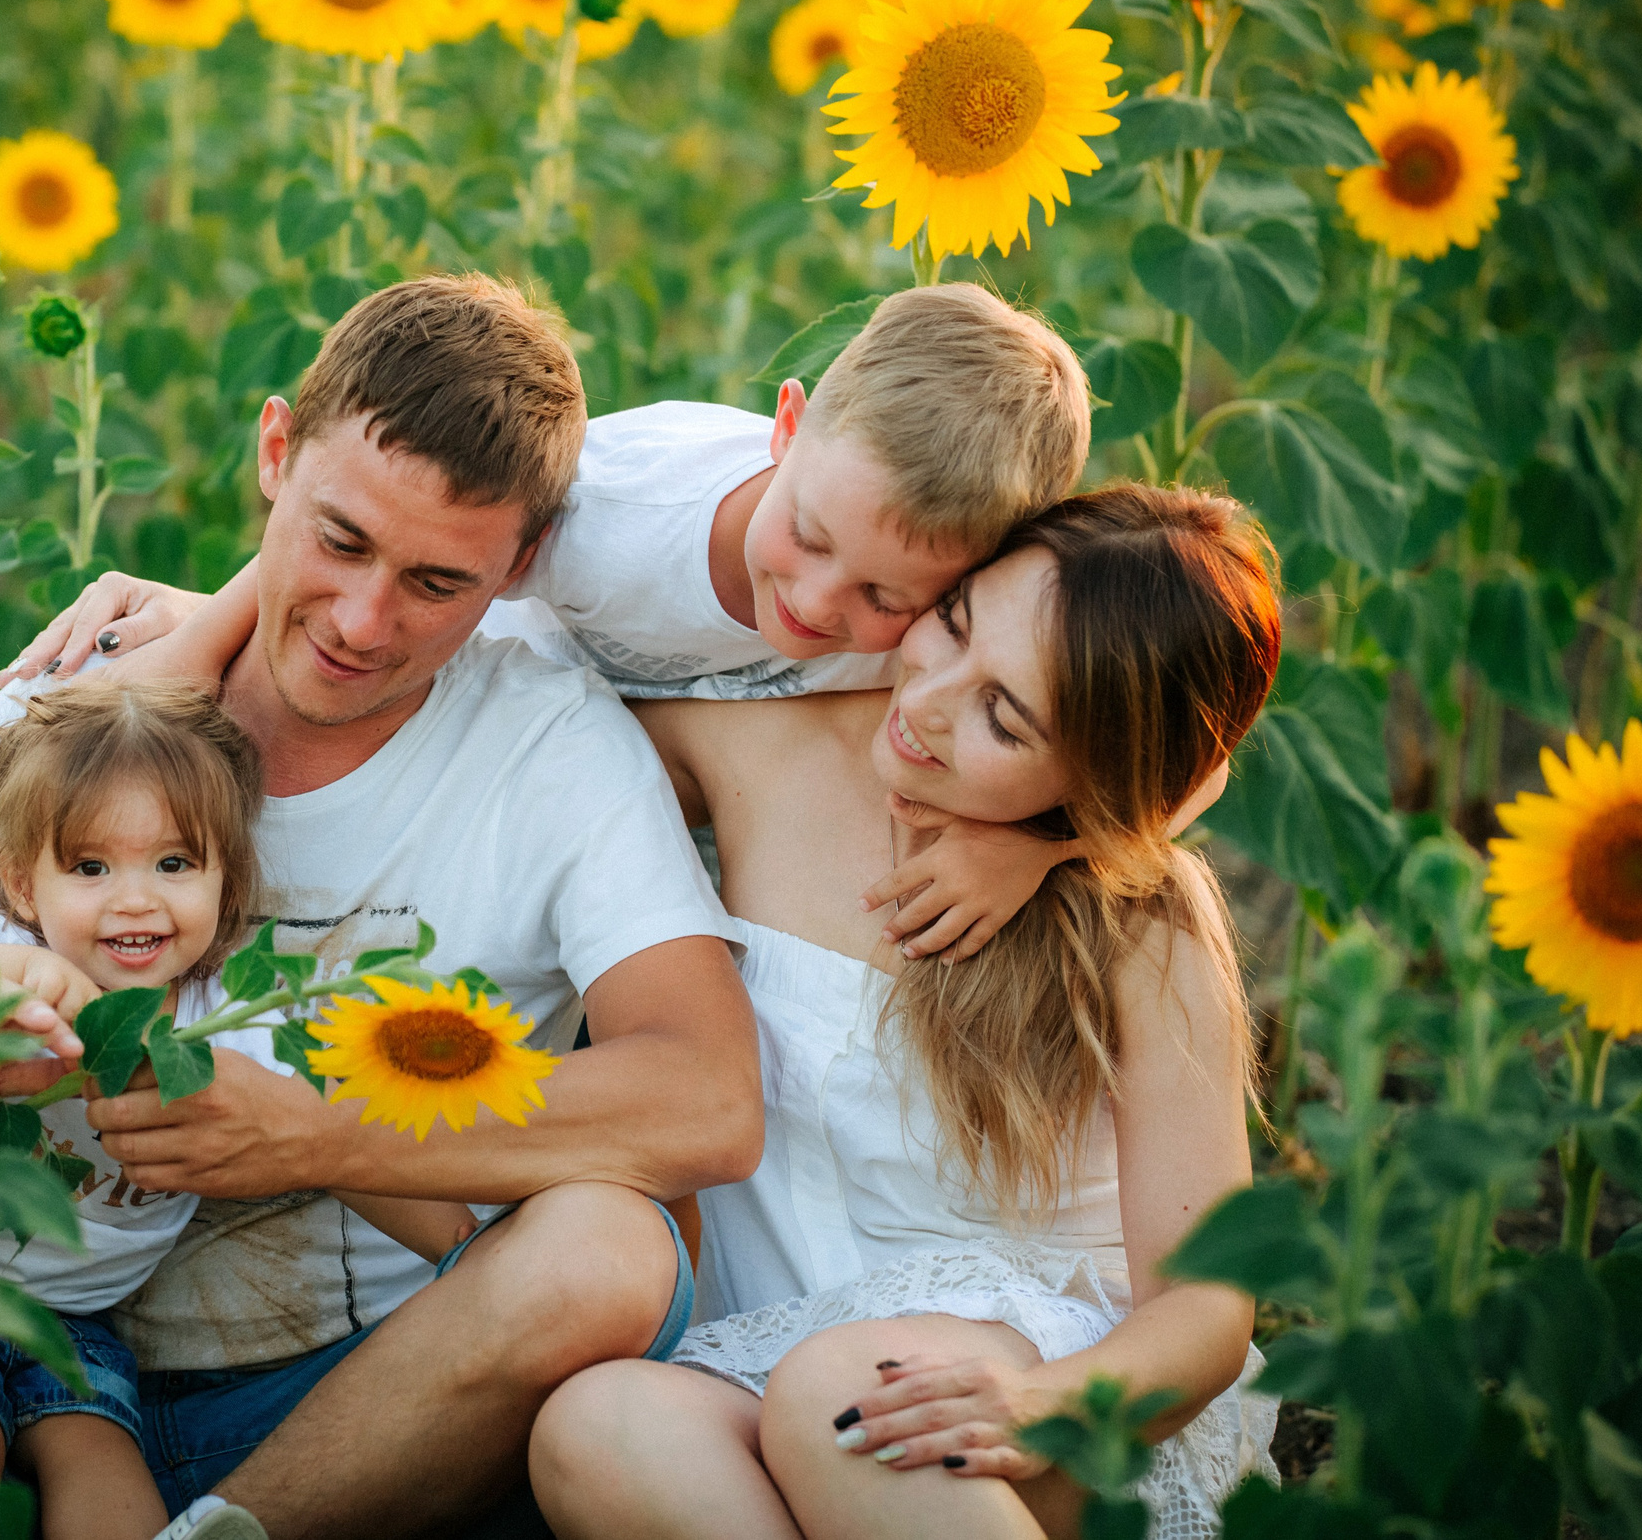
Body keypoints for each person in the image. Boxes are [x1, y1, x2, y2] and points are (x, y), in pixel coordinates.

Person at [0, 273, 762, 1540]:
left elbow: (707, 1099)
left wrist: (319, 1134)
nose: (363, 621)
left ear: (524, 564)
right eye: (339, 541)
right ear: (275, 452)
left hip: (353, 1412)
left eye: (439, 584)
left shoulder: (550, 752)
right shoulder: (74, 713)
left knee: (611, 1251)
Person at [528, 485, 1283, 1540]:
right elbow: (507, 729)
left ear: (1107, 776)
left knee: (850, 1398)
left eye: (1003, 717)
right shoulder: (761, 753)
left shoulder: (1138, 921)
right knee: (598, 1425)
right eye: (955, 623)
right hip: (761, 1364)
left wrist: (1046, 1406)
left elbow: (1206, 1306)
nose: (927, 700)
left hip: (1033, 1386)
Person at [6, 284, 1124, 965]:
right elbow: (396, 557)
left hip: (710, 817)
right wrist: (194, 645)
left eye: (889, 599)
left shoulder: (961, 612)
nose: (825, 608)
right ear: (784, 427)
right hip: (517, 766)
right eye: (812, 539)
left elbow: (1174, 748)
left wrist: (1031, 845)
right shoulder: (610, 512)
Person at [0, 678, 472, 1540]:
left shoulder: (221, 1023)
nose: (137, 896)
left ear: (228, 880)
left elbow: (341, 1148)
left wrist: (465, 1244)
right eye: (92, 866)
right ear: (24, 889)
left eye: (174, 864)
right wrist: (4, 986)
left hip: (70, 1321)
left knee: (102, 1458)